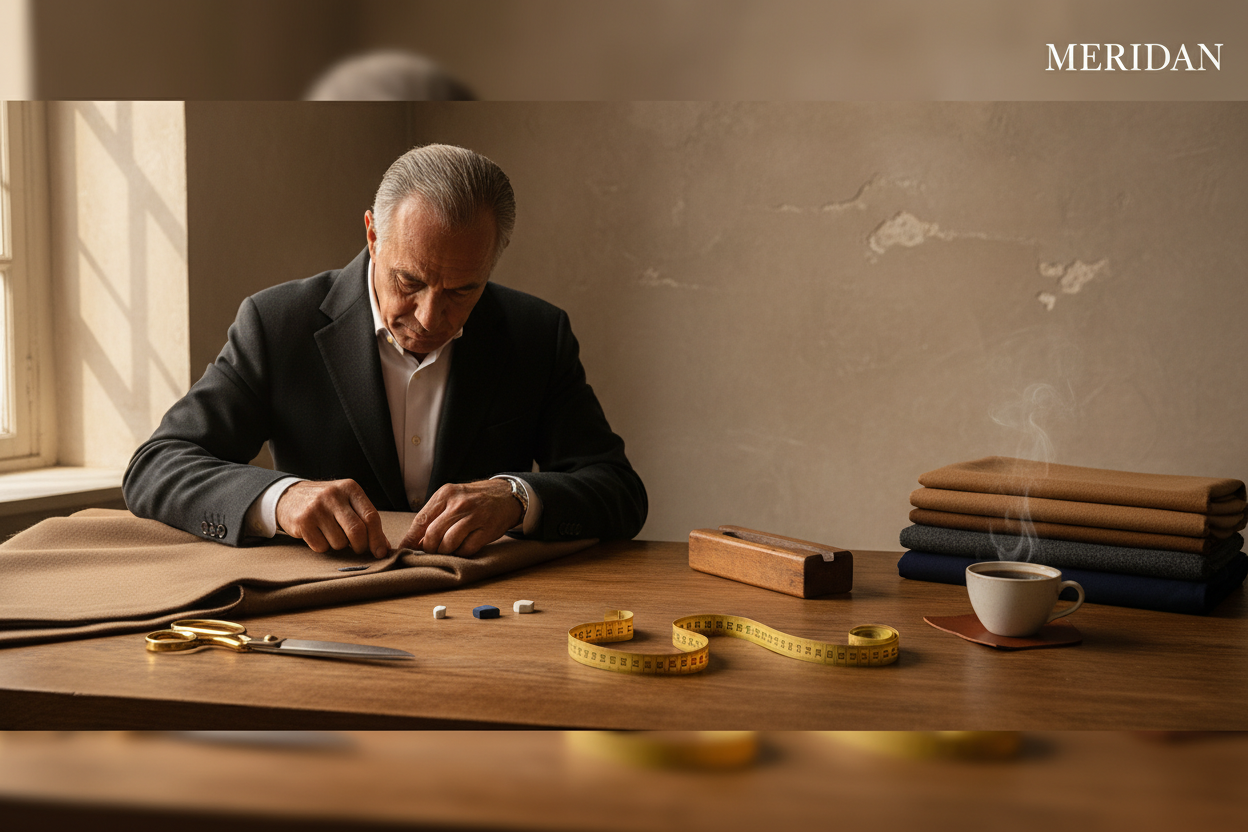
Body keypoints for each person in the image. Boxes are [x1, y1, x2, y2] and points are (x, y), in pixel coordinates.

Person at [123, 144, 647, 558]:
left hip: (484, 620)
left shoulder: (537, 334)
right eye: (409, 281)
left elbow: (619, 492)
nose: (427, 317)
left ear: (494, 259)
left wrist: (517, 497)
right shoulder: (277, 324)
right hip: (322, 610)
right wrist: (283, 499)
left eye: (462, 290)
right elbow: (156, 466)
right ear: (373, 235)